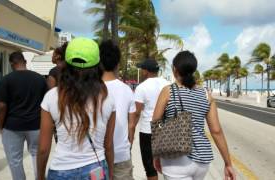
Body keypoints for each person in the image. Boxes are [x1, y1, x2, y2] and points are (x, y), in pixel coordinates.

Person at [37, 37, 116, 180]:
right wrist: (110, 174)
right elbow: (108, 145)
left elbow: (43, 149)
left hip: (61, 171)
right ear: (98, 65)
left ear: (66, 64)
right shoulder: (107, 98)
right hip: (95, 170)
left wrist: (40, 176)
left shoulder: (51, 97)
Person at [152, 51, 236, 180]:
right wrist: (228, 163)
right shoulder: (206, 94)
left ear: (175, 69)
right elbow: (216, 131)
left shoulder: (168, 91)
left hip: (175, 159)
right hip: (202, 162)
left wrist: (156, 154)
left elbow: (156, 122)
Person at [0, 52, 47, 180]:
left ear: (12, 64)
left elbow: (1, 106)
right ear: (25, 62)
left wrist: (1, 125)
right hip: (36, 125)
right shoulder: (40, 79)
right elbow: (46, 103)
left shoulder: (6, 79)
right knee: (36, 155)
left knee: (15, 160)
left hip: (12, 126)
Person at [99, 40, 136, 180]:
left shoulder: (91, 89)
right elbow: (131, 125)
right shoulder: (127, 90)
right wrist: (129, 145)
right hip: (121, 155)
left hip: (97, 157)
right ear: (117, 64)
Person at [133, 59, 169, 180]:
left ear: (146, 71)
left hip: (147, 131)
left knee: (150, 166)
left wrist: (131, 129)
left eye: (142, 69)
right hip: (165, 129)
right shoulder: (168, 84)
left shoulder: (142, 87)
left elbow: (137, 113)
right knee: (169, 166)